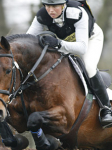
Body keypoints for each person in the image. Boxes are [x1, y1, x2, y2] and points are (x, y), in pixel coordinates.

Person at [26, 0, 112, 128]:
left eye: (54, 6)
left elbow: (82, 48)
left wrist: (58, 43)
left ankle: (106, 109)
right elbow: (28, 39)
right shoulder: (42, 16)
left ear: (63, 5)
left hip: (90, 40)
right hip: (65, 43)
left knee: (89, 67)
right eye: (47, 6)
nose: (50, 10)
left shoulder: (76, 13)